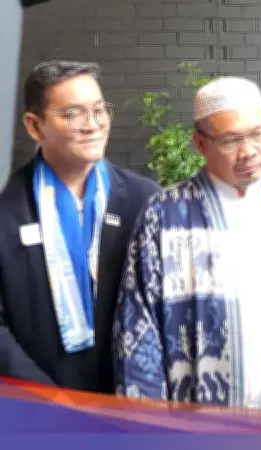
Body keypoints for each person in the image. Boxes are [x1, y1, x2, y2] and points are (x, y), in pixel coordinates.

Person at [113, 76, 261, 410]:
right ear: (200, 143)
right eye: (230, 140)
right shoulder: (165, 215)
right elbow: (137, 333)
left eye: (257, 133)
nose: (248, 151)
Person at [0, 60, 159, 393]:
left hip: (130, 397)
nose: (93, 125)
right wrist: (46, 398)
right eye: (74, 115)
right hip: (34, 401)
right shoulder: (8, 207)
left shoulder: (145, 200)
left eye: (99, 111)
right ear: (34, 126)